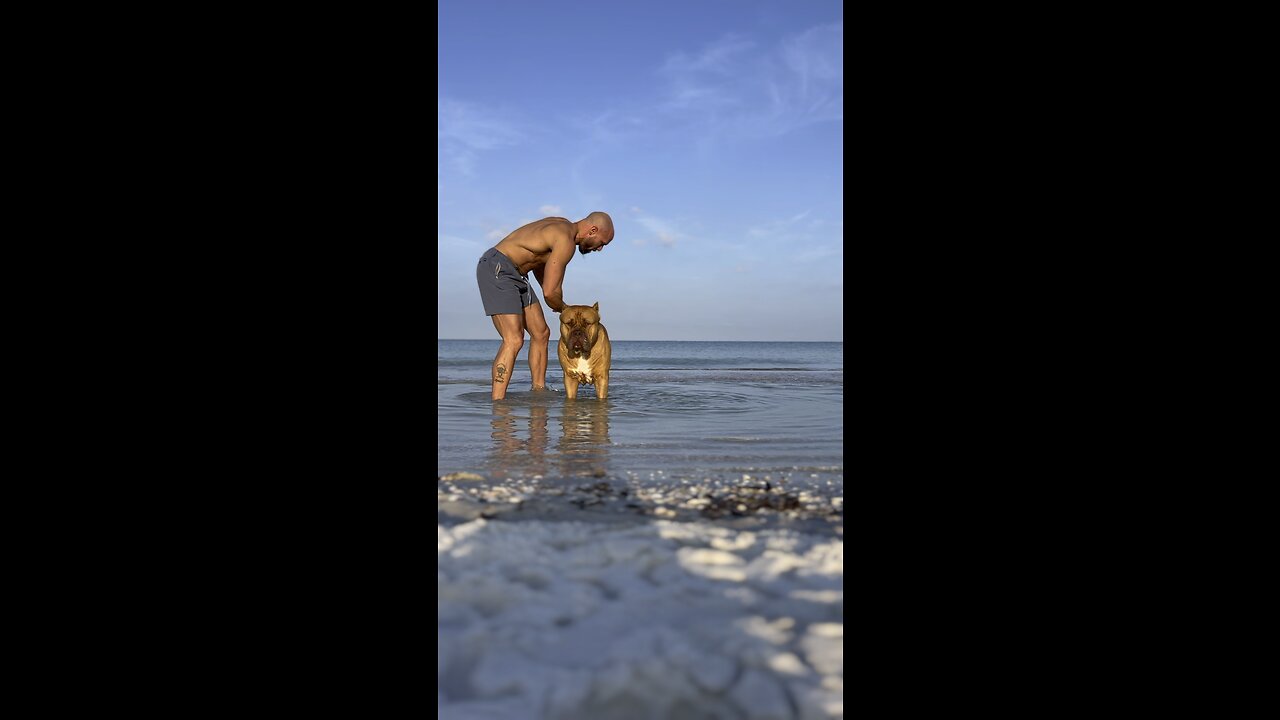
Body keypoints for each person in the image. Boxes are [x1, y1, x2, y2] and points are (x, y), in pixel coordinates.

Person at [476, 212, 614, 400]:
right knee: (514, 339)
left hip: (518, 275)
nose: (600, 249)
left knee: (541, 333)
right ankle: (498, 403)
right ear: (593, 230)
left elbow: (542, 270)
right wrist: (564, 308)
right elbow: (550, 291)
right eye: (602, 243)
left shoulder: (562, 228)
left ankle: (538, 391)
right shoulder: (565, 240)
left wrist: (558, 302)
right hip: (498, 267)